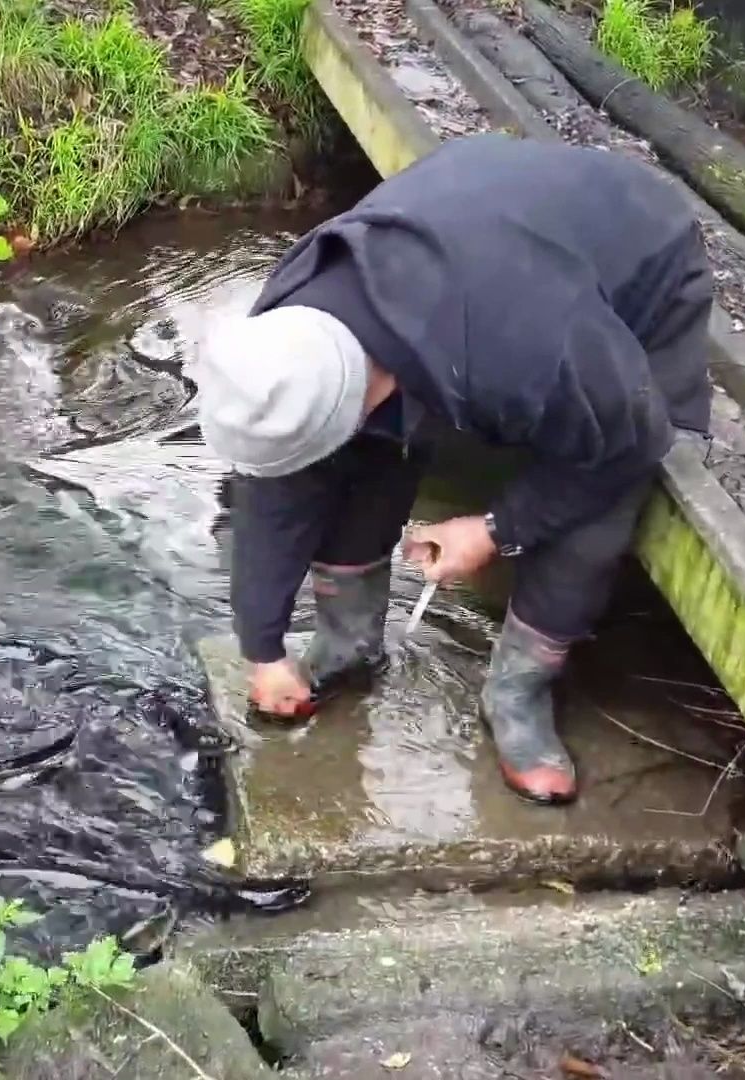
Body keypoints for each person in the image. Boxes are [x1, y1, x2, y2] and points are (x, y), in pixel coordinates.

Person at [195, 133, 713, 805]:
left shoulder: (531, 345)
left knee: (597, 502)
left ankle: (516, 693)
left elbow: (625, 443)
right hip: (485, 212)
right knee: (359, 455)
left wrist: (497, 528)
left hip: (638, 258)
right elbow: (276, 486)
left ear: (366, 390)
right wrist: (261, 647)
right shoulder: (285, 329)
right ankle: (349, 644)